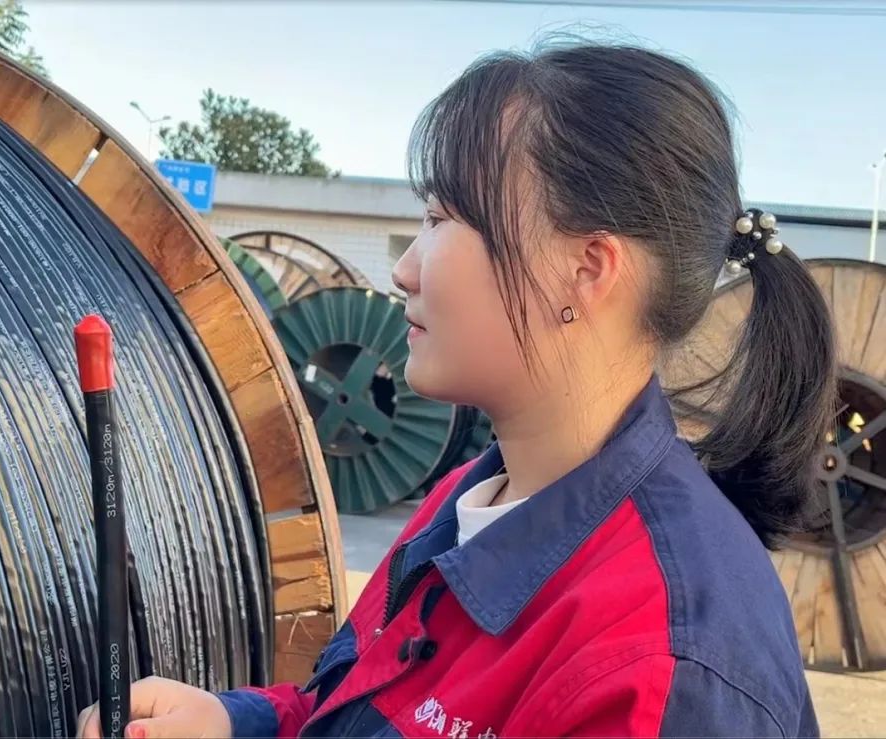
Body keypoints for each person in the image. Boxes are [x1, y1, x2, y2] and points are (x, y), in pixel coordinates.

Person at [77, 39, 832, 739]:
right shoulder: (468, 500)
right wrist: (232, 721)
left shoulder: (665, 672)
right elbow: (355, 708)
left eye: (440, 218)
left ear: (586, 270)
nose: (404, 269)